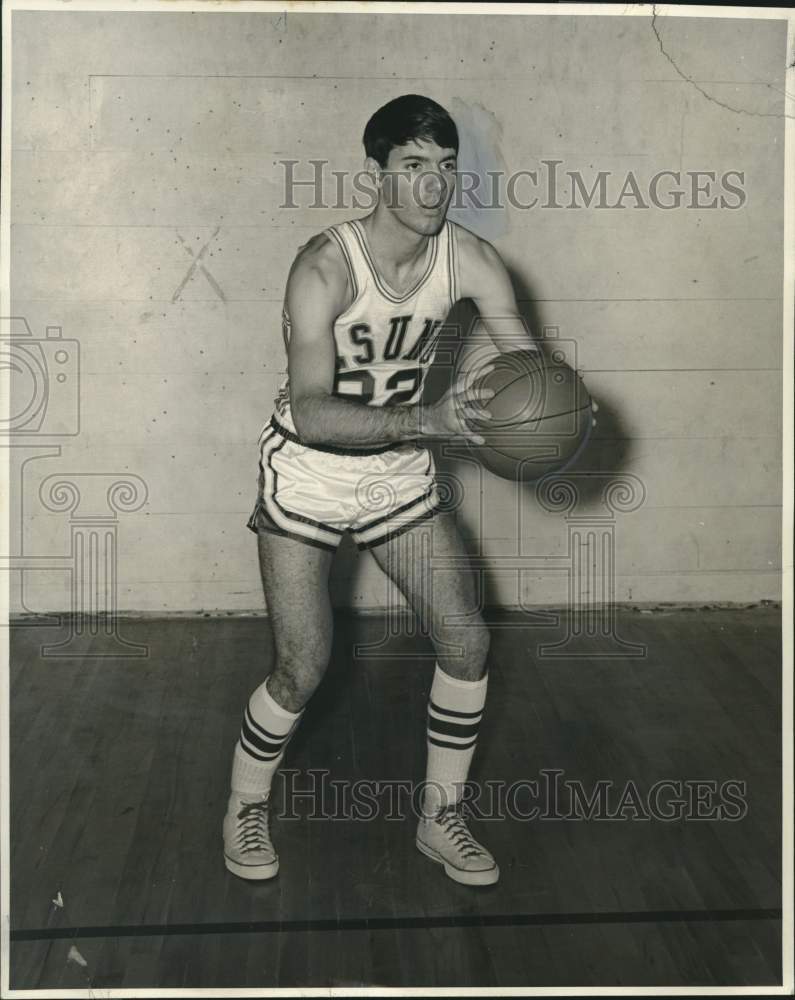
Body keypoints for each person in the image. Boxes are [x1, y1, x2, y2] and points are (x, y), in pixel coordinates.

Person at [223, 94, 594, 887]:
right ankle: (245, 805)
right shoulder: (323, 267)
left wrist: (565, 410)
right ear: (377, 174)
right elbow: (317, 412)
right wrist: (428, 418)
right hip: (311, 472)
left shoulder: (472, 261)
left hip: (397, 472)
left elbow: (530, 371)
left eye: (446, 169)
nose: (433, 186)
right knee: (302, 666)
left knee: (465, 639)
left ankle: (440, 816)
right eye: (414, 168)